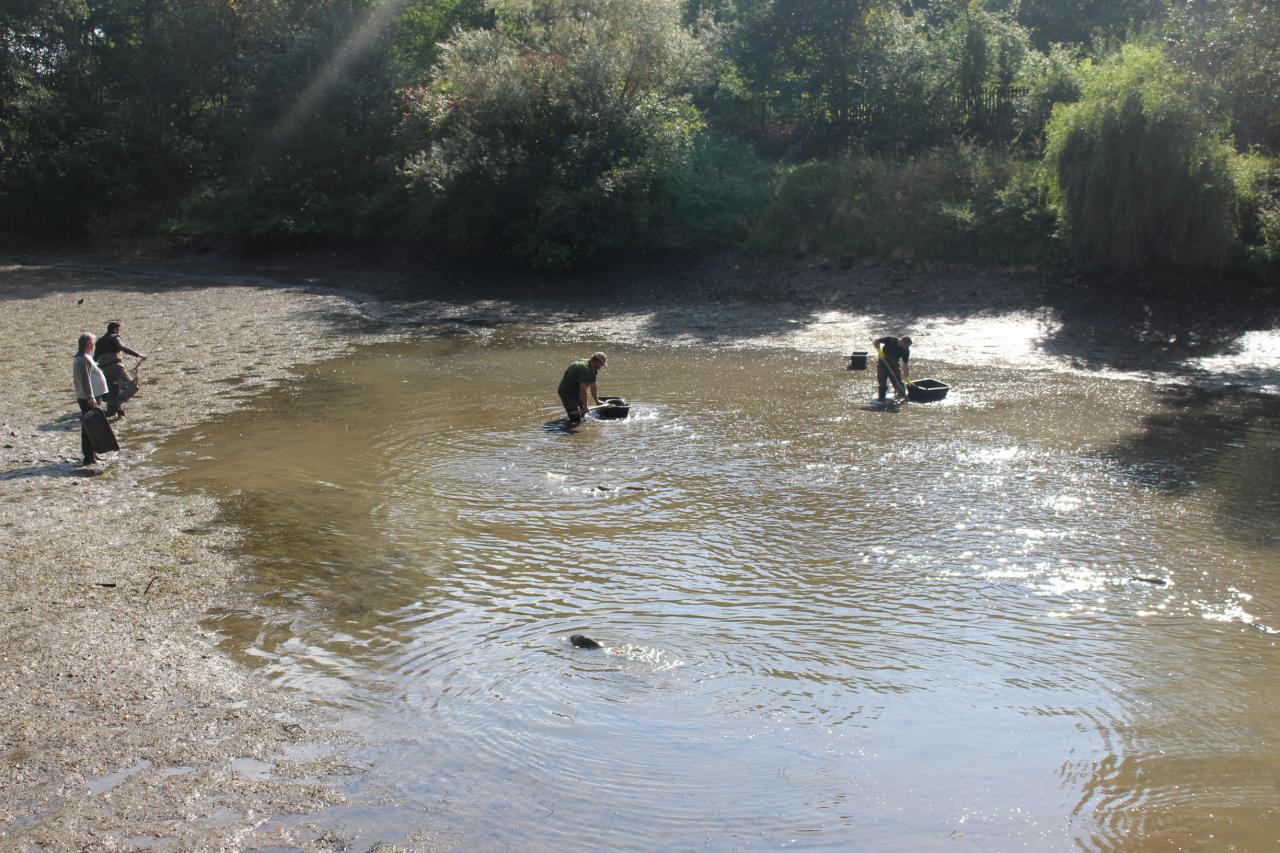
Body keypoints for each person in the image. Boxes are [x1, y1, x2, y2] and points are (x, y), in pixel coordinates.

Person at [93, 320, 146, 418]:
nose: (119, 332)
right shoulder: (115, 337)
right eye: (119, 329)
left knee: (112, 391)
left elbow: (95, 358)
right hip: (116, 367)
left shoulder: (99, 341)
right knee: (133, 386)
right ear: (115, 329)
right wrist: (139, 355)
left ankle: (111, 411)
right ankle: (115, 404)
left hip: (104, 370)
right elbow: (122, 347)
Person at [73, 333, 109, 466]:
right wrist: (90, 397)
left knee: (92, 425)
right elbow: (86, 379)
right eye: (93, 343)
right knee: (90, 426)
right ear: (89, 344)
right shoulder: (83, 359)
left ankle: (93, 454)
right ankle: (88, 457)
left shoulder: (84, 357)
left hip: (91, 396)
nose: (94, 346)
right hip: (88, 397)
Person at [558, 352, 607, 423]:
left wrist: (597, 401)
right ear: (597, 361)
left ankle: (581, 422)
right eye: (601, 364)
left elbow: (593, 386)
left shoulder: (593, 368)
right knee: (575, 418)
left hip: (576, 390)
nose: (601, 366)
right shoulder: (585, 369)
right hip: (567, 392)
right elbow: (583, 390)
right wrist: (586, 406)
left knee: (583, 412)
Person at [872, 335, 912, 401]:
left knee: (898, 381)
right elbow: (876, 341)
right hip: (883, 363)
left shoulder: (906, 351)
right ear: (902, 342)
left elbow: (905, 365)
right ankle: (881, 397)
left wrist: (907, 378)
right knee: (882, 381)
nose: (907, 348)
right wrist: (879, 351)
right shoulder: (891, 340)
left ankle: (902, 396)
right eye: (907, 346)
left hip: (894, 365)